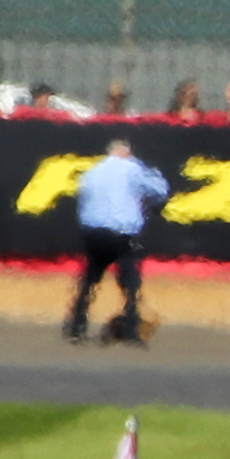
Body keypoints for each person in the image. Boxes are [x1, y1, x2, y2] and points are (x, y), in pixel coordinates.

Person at [67, 128, 171, 344]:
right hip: (121, 234)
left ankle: (77, 325)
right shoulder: (132, 168)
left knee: (90, 279)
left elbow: (82, 200)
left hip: (93, 232)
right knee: (130, 281)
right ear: (126, 152)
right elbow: (160, 190)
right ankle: (131, 327)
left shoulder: (92, 171)